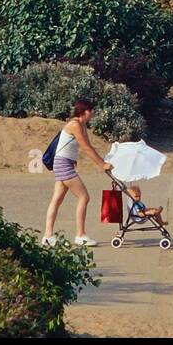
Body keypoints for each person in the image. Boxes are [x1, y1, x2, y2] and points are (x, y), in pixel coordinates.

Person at [43, 99, 113, 248]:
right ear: (84, 111)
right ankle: (80, 235)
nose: (93, 113)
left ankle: (48, 236)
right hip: (63, 164)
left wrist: (103, 161)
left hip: (65, 163)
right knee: (84, 197)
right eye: (91, 110)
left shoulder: (82, 125)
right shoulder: (75, 124)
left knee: (57, 199)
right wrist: (103, 164)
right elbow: (86, 148)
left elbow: (89, 146)